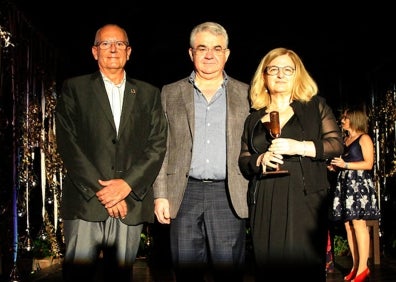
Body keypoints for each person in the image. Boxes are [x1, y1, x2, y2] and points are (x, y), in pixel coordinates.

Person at [55, 24, 167, 282]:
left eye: (119, 44)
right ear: (95, 52)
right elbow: (68, 145)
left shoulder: (149, 94)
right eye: (105, 44)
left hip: (129, 204)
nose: (113, 49)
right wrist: (106, 192)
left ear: (129, 52)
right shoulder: (74, 89)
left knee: (120, 276)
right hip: (86, 202)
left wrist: (126, 186)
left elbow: (157, 143)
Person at [153, 21, 250, 282]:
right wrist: (160, 194)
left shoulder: (247, 94)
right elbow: (161, 146)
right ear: (191, 53)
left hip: (228, 193)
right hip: (183, 195)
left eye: (217, 48)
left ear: (226, 54)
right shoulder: (171, 92)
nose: (209, 55)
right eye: (202, 48)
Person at [238, 47, 344, 281]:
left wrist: (299, 147)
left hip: (306, 199)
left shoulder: (315, 106)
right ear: (264, 76)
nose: (280, 74)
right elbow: (244, 160)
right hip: (265, 198)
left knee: (304, 268)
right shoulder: (253, 118)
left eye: (288, 69)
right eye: (273, 69)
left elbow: (336, 144)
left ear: (297, 74)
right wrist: (260, 160)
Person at [329, 106, 381, 282]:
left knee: (359, 225)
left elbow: (368, 164)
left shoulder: (364, 138)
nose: (342, 120)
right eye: (342, 117)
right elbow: (345, 163)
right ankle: (355, 265)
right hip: (345, 184)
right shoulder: (345, 140)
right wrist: (335, 167)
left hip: (358, 186)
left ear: (354, 119)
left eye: (345, 118)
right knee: (348, 226)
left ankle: (363, 268)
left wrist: (346, 166)